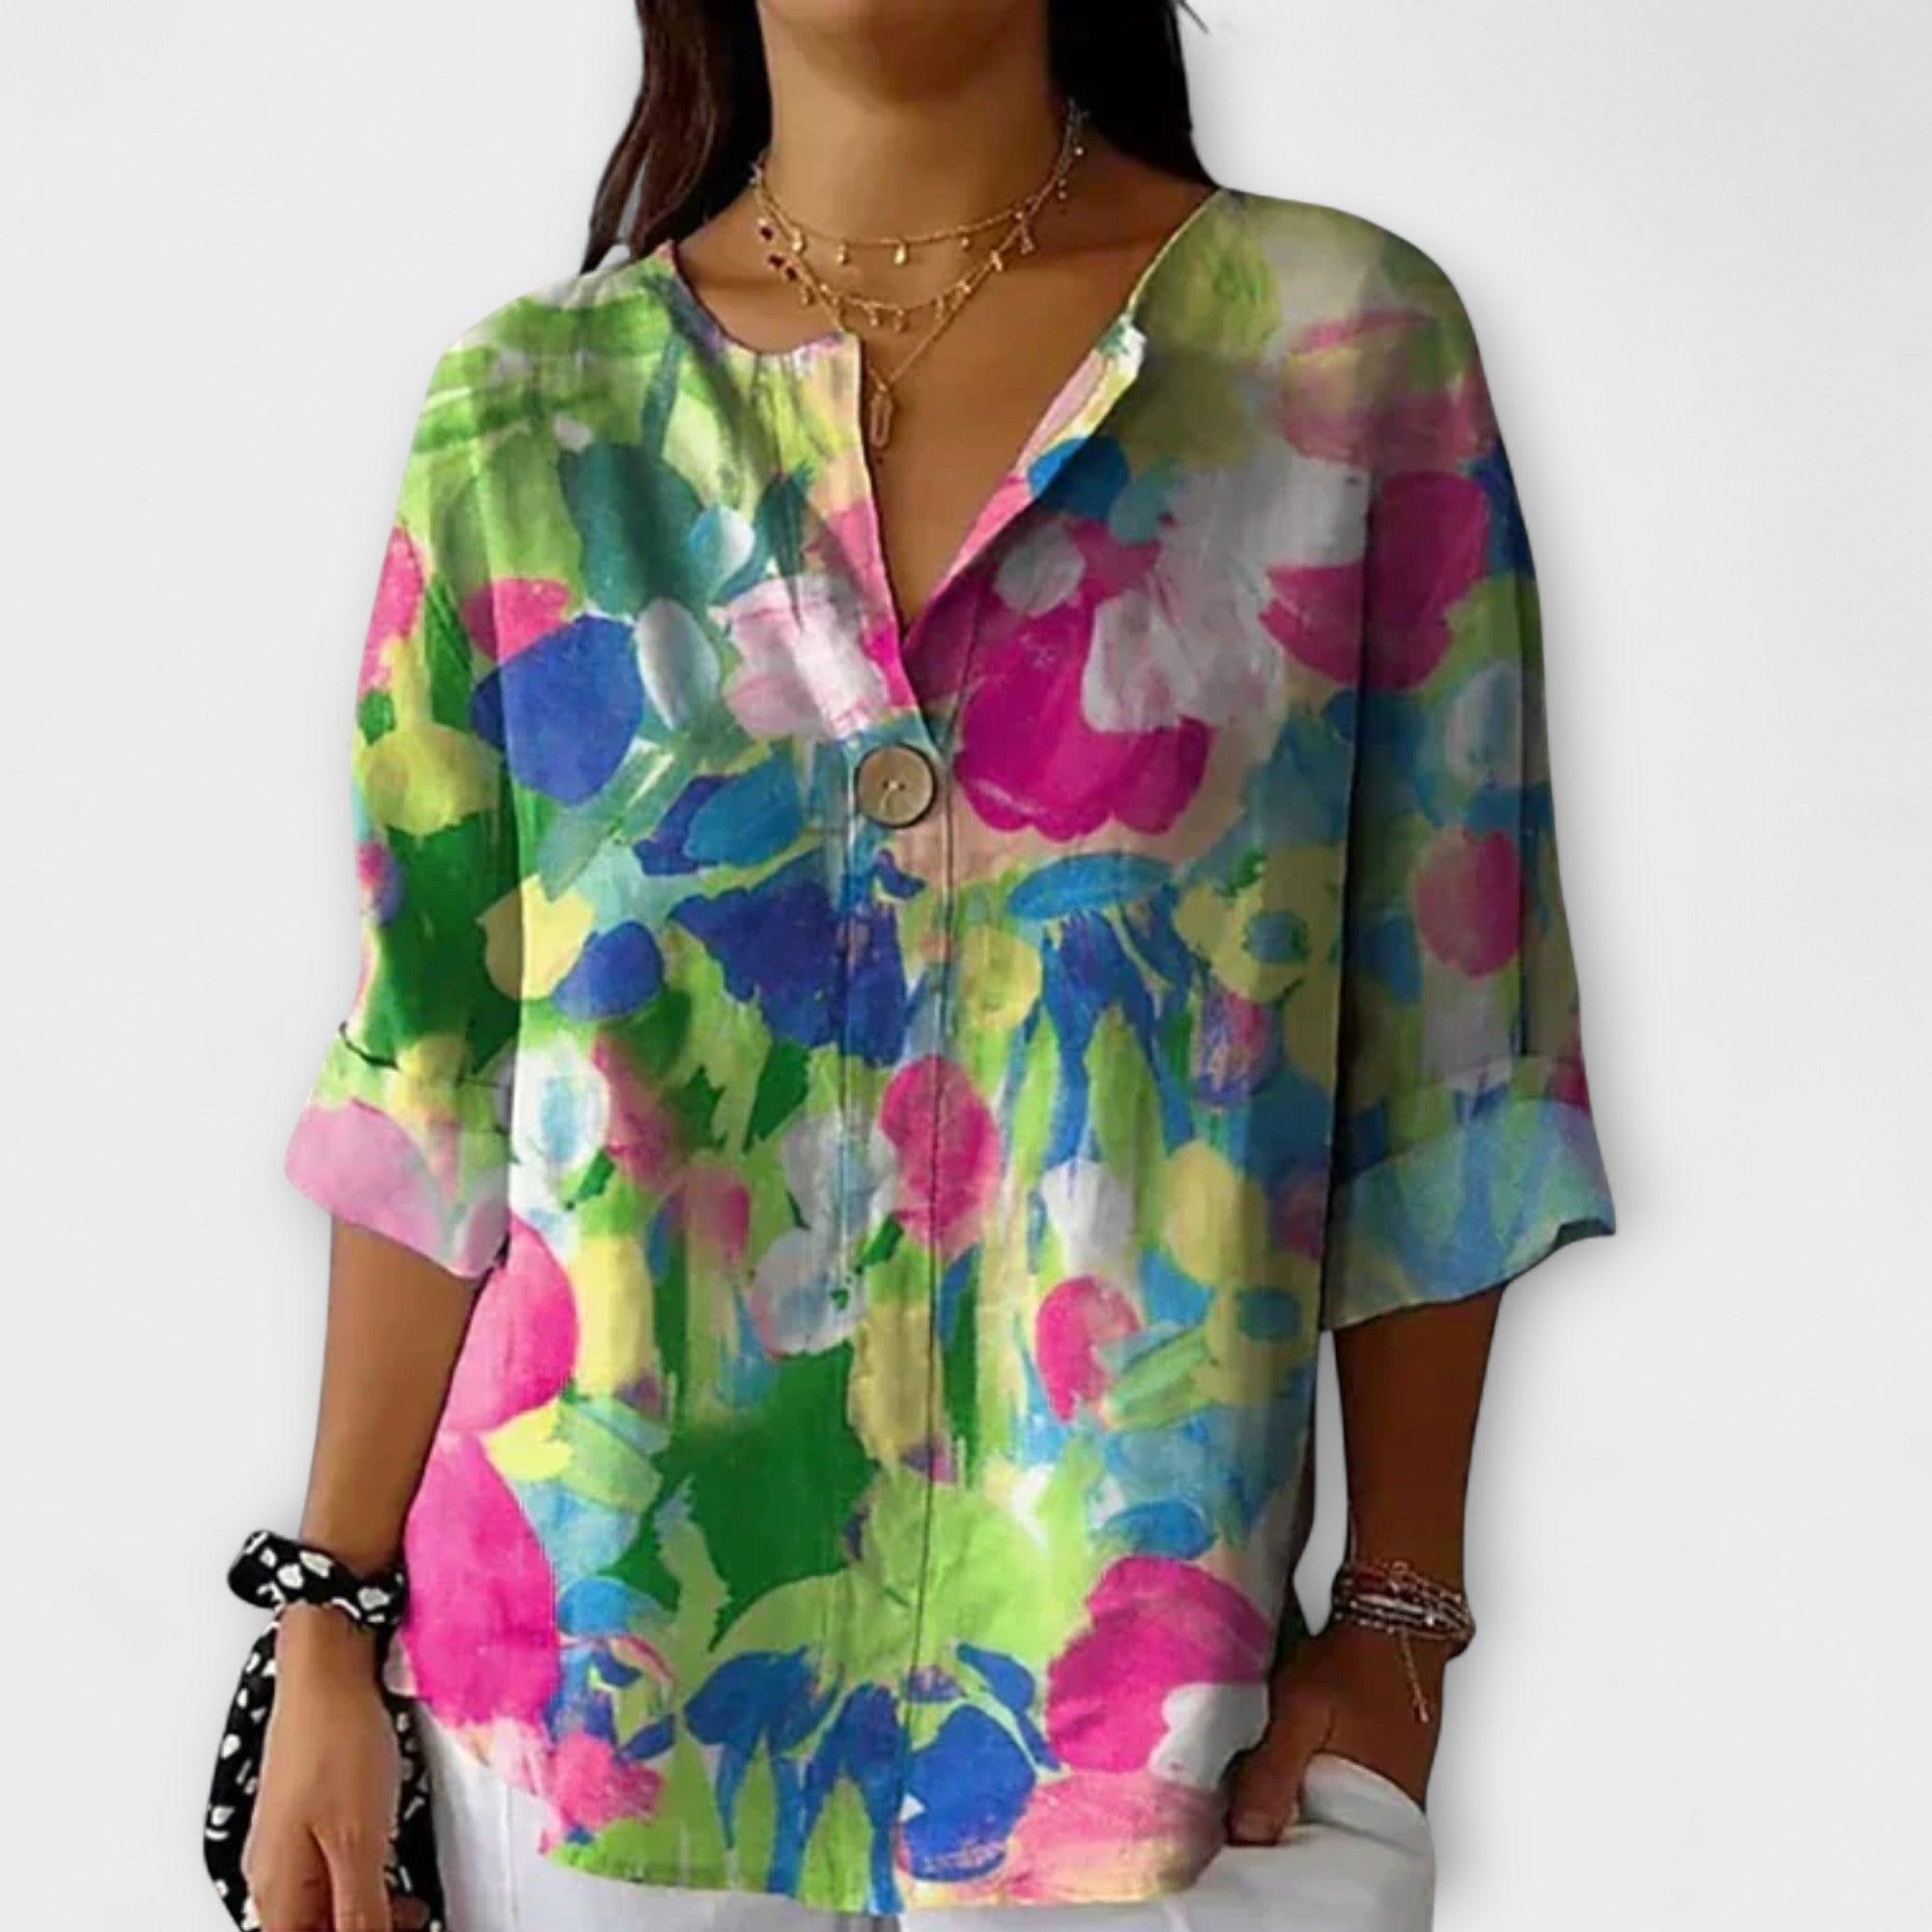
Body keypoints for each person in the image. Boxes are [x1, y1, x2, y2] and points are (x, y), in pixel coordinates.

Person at [239, 3, 1617, 1928]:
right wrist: (325, 1623)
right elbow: (432, 1074)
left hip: (1147, 1758)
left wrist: (1400, 1617)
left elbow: (1448, 1056)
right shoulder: (531, 417)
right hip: (585, 1728)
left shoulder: (1339, 358)